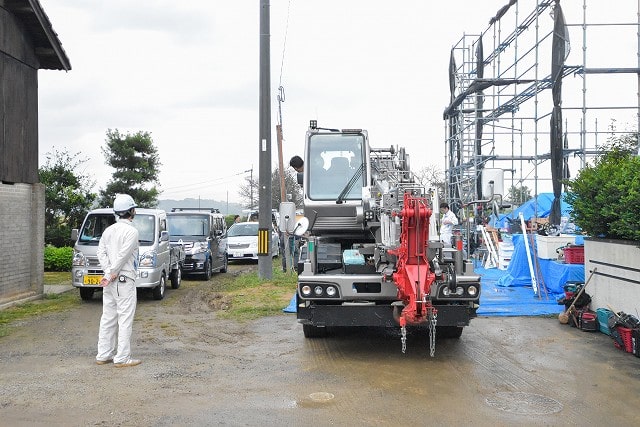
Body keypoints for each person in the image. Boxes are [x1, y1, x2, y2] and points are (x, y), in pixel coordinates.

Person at [95, 194, 141, 368]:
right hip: (124, 279)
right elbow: (124, 255)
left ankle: (104, 354)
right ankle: (122, 357)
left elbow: (101, 253)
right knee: (125, 319)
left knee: (108, 318)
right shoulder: (132, 231)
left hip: (111, 281)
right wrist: (113, 272)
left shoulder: (109, 230)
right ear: (130, 211)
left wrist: (108, 273)